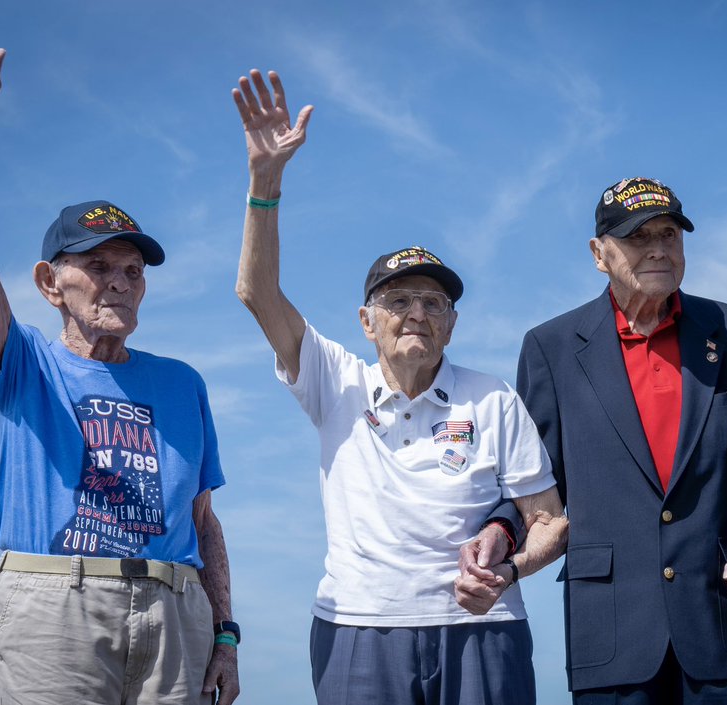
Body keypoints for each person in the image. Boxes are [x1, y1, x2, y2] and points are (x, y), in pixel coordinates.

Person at [0, 14, 240, 705]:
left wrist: (225, 633)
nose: (120, 280)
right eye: (98, 266)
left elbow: (204, 521)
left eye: (132, 269)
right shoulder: (26, 363)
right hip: (53, 608)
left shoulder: (182, 384)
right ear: (50, 284)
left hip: (175, 614)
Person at [230, 68, 568, 705]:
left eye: (434, 302)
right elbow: (257, 292)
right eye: (399, 300)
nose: (417, 313)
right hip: (358, 626)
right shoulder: (333, 378)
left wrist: (509, 573)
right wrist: (265, 180)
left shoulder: (492, 397)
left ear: (453, 322)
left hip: (482, 628)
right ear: (366, 321)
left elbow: (549, 520)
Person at [516, 176, 727, 704]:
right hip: (610, 634)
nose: (658, 249)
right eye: (639, 237)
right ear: (599, 253)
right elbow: (534, 485)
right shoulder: (549, 349)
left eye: (669, 234)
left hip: (718, 626)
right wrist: (500, 537)